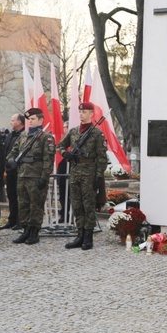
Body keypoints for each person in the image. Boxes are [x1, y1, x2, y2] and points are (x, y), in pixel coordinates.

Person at [57, 102, 108, 250]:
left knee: (88, 205)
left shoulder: (97, 133)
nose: (81, 114)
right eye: (80, 112)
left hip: (89, 174)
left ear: (91, 114)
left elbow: (101, 157)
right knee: (77, 205)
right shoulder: (73, 132)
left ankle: (88, 237)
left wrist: (98, 177)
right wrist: (64, 153)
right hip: (75, 172)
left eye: (85, 112)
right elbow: (60, 145)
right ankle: (79, 235)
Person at [6, 108, 55, 246]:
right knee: (23, 204)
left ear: (40, 120)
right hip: (22, 175)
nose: (31, 121)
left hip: (36, 176)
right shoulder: (23, 136)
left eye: (33, 119)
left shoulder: (46, 137)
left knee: (36, 205)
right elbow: (13, 151)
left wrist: (44, 177)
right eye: (29, 119)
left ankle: (34, 231)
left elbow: (48, 160)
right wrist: (11, 161)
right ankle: (26, 229)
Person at [1, 113, 25, 230]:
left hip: (19, 170)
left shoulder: (24, 135)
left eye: (12, 120)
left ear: (19, 122)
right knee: (11, 195)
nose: (11, 122)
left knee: (19, 196)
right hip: (9, 170)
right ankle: (12, 219)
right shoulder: (11, 135)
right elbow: (7, 150)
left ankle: (21, 220)